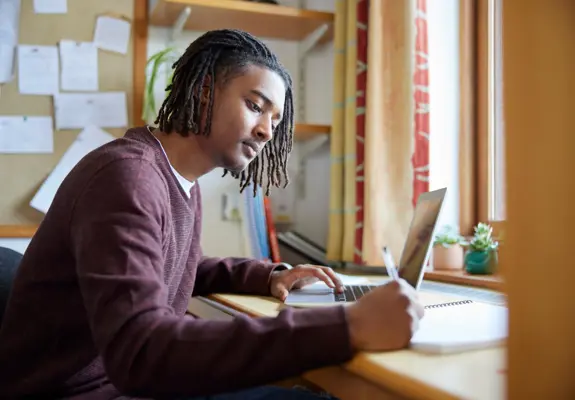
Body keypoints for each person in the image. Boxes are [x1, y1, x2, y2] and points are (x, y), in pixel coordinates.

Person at [0, 29, 424, 399]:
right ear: (204, 92)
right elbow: (141, 352)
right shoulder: (127, 178)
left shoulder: (174, 178)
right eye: (256, 106)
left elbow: (180, 264)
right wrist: (347, 327)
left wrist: (268, 275)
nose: (265, 131)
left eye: (275, 120)